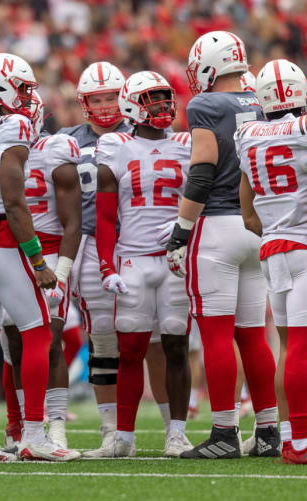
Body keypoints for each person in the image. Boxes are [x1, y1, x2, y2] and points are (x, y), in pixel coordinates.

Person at [0, 52, 79, 462]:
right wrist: (38, 260)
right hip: (4, 238)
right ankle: (34, 437)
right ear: (1, 87)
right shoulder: (17, 124)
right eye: (23, 87)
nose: (28, 97)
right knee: (39, 332)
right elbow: (13, 200)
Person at [165, 31, 279, 459]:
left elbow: (202, 171)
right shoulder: (264, 102)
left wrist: (180, 230)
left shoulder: (206, 104)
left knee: (216, 335)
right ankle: (268, 432)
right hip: (257, 226)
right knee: (253, 336)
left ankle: (224, 434)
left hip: (217, 228)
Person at [236, 59, 307, 464]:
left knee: (287, 348)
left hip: (271, 251)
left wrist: (271, 231)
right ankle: (300, 444)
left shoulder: (247, 134)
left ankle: (290, 438)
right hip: (306, 249)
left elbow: (246, 211)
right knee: (302, 348)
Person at [95, 71, 193, 457]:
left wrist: (188, 223)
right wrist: (107, 266)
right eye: (152, 99)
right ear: (132, 105)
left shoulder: (186, 143)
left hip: (175, 259)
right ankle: (123, 437)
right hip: (133, 258)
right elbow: (104, 216)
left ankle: (177, 433)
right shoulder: (115, 145)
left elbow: (200, 196)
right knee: (131, 350)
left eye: (164, 98)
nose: (162, 106)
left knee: (176, 346)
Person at [0, 91, 82, 449]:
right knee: (14, 344)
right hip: (4, 252)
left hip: (47, 252)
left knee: (51, 340)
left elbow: (73, 220)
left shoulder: (56, 149)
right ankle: (21, 428)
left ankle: (58, 426)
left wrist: (61, 272)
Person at [59, 62, 131, 457]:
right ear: (84, 103)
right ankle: (110, 429)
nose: (105, 106)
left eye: (111, 98)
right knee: (102, 336)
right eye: (97, 99)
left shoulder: (144, 134)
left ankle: (171, 426)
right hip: (87, 242)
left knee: (154, 338)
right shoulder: (67, 140)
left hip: (137, 241)